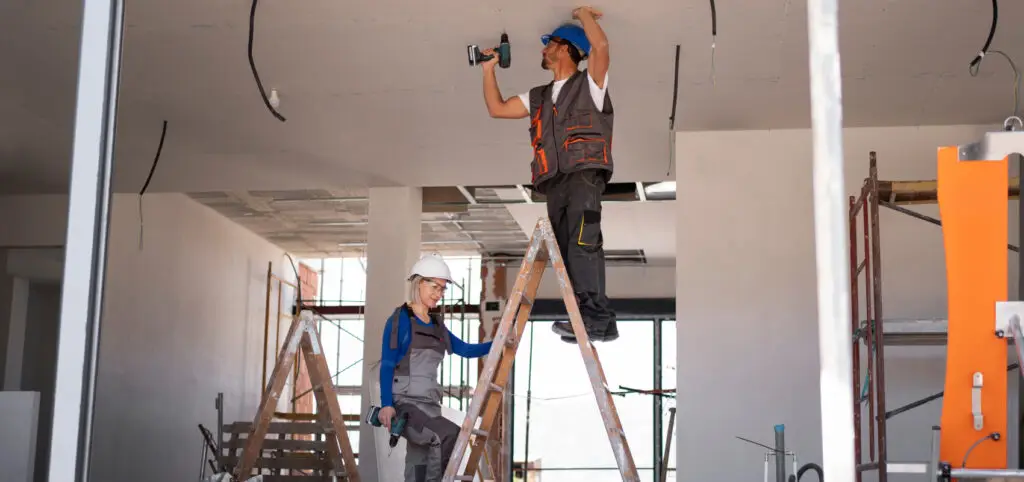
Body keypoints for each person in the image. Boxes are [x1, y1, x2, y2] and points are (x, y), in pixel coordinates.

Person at [479, 6, 618, 343]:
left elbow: (600, 49)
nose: (543, 49)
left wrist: (583, 15)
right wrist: (488, 70)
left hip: (584, 176)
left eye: (549, 44)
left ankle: (594, 317)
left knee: (583, 245)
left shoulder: (591, 84)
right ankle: (597, 320)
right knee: (567, 253)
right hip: (554, 182)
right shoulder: (538, 97)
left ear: (566, 48)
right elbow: (497, 109)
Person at [376, 253, 494, 482]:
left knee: (418, 467)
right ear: (419, 283)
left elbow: (466, 350)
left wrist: (497, 343)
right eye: (434, 287)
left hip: (431, 407)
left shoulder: (437, 325)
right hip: (406, 405)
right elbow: (388, 363)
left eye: (442, 289)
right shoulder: (400, 320)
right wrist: (386, 405)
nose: (438, 294)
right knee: (448, 435)